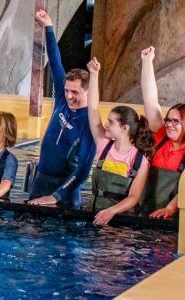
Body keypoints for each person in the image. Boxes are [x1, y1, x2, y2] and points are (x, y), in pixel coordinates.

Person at [27, 10, 96, 209]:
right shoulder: (62, 101)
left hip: (65, 191)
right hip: (41, 179)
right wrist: (48, 26)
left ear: (87, 92)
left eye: (75, 92)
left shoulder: (88, 122)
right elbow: (56, 61)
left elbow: (83, 169)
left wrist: (57, 196)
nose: (69, 96)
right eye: (66, 91)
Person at [85, 57, 153, 225]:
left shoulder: (140, 161)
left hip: (120, 222)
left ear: (125, 128)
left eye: (111, 122)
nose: (106, 125)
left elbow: (134, 197)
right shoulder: (103, 144)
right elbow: (92, 108)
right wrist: (94, 75)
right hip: (94, 215)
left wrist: (111, 211)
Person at [139, 46, 185, 218]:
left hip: (172, 218)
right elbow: (150, 99)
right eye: (168, 120)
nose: (170, 125)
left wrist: (170, 209)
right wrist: (147, 62)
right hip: (147, 211)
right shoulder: (161, 137)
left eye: (176, 121)